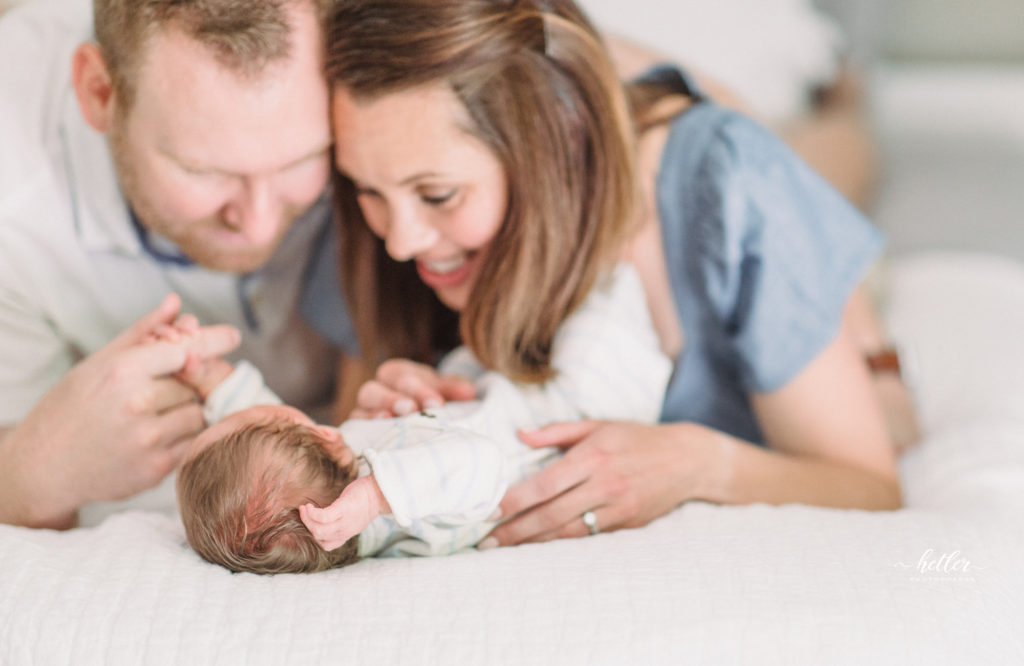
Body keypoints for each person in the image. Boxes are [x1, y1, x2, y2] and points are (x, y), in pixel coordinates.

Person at [304, 0, 917, 551]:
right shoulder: (376, 209)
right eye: (368, 190)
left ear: (546, 147)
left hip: (734, 184)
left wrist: (699, 464)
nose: (400, 240)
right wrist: (394, 426)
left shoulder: (729, 188)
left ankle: (842, 93)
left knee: (830, 164)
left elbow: (870, 485)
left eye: (437, 195)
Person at [0, 0, 339, 529]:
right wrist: (33, 473)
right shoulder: (13, 193)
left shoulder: (379, 55)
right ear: (99, 92)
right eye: (202, 171)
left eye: (301, 160)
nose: (258, 224)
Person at [171, 264, 670, 573]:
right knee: (610, 286)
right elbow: (481, 462)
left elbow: (251, 435)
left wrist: (209, 376)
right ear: (323, 435)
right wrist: (380, 492)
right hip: (580, 412)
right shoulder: (410, 516)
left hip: (497, 385)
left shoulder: (327, 482)